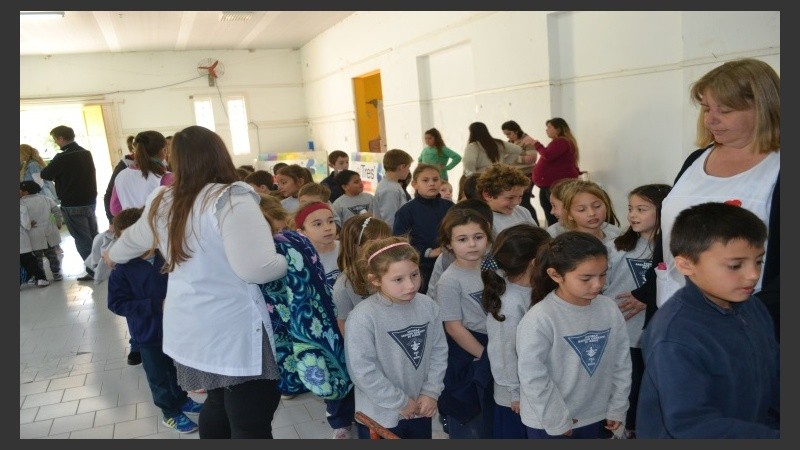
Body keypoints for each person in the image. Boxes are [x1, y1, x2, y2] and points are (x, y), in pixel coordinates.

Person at [105, 125, 288, 439]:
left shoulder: (164, 199)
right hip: (234, 330)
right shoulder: (230, 198)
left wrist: (111, 254)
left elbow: (129, 243)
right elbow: (256, 269)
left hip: (191, 328)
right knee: (250, 419)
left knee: (217, 402)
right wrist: (287, 258)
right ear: (221, 153)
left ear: (174, 159)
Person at [635, 59, 780, 342]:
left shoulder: (776, 168)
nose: (710, 120)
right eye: (705, 109)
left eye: (724, 111)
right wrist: (650, 290)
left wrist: (753, 316)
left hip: (748, 322)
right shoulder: (695, 161)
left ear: (763, 110)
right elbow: (671, 234)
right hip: (675, 313)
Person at [636, 202, 779, 438]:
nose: (753, 275)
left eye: (758, 261)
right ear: (686, 265)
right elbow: (691, 424)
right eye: (735, 265)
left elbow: (775, 371)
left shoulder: (752, 306)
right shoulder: (674, 337)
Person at [517, 231, 631, 439]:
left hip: (598, 416)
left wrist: (617, 407)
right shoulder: (540, 318)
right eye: (586, 278)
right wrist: (558, 420)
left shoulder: (609, 309)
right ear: (555, 275)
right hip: (551, 422)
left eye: (603, 274)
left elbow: (621, 362)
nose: (598, 284)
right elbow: (533, 377)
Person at [258, 198, 354, 439]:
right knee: (333, 372)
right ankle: (340, 421)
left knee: (355, 370)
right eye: (318, 223)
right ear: (300, 231)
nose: (328, 227)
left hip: (350, 320)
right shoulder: (295, 258)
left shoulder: (345, 249)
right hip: (324, 326)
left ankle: (361, 413)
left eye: (331, 221)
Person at [106, 207, 204, 434]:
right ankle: (169, 413)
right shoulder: (122, 270)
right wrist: (153, 305)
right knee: (158, 376)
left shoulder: (167, 255)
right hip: (147, 333)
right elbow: (117, 304)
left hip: (175, 329)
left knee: (175, 367)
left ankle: (181, 399)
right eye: (126, 239)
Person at [345, 236, 448, 439]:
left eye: (414, 275)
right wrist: (400, 402)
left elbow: (439, 351)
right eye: (398, 280)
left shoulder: (428, 306)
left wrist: (431, 392)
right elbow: (362, 370)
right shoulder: (363, 316)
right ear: (375, 280)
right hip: (380, 416)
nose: (410, 285)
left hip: (420, 408)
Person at [602, 183, 671, 439]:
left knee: (647, 387)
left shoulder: (672, 250)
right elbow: (601, 286)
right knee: (623, 386)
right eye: (630, 208)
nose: (632, 215)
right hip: (622, 332)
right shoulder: (617, 247)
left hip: (652, 334)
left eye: (642, 209)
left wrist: (648, 297)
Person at [482, 224, 551, 438]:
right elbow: (504, 352)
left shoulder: (534, 289)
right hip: (515, 398)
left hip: (534, 390)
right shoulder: (510, 302)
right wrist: (515, 391)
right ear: (534, 263)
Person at [435, 208, 495, 439]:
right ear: (449, 244)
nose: (472, 244)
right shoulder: (449, 281)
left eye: (478, 237)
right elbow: (453, 326)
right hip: (470, 348)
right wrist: (484, 353)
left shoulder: (491, 265)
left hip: (495, 340)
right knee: (471, 413)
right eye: (462, 239)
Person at [41, 125, 99, 277]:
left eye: (55, 139)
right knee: (93, 236)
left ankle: (93, 270)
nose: (56, 143)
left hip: (72, 203)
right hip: (90, 200)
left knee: (82, 238)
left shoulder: (62, 157)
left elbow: (45, 174)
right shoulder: (86, 153)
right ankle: (101, 267)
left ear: (61, 138)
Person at [393, 163, 454, 294]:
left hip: (451, 264)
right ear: (415, 184)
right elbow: (400, 243)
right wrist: (428, 252)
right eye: (425, 180)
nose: (431, 183)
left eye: (435, 179)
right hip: (422, 269)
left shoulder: (450, 207)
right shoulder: (406, 212)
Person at [332, 215, 392, 334]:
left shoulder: (390, 270)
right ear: (356, 247)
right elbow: (343, 322)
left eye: (387, 243)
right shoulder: (343, 285)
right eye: (376, 245)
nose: (384, 249)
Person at [110, 131, 174, 217]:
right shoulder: (167, 177)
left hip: (130, 228)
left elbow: (114, 209)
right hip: (156, 228)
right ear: (164, 150)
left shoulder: (121, 175)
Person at [531, 118, 581, 226]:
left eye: (549, 127)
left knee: (554, 216)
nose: (546, 130)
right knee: (552, 214)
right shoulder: (562, 141)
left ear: (558, 128)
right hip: (550, 185)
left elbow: (548, 155)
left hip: (554, 186)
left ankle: (557, 237)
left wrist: (536, 144)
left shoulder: (561, 141)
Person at [476, 163, 539, 235]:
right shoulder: (482, 222)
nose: (517, 202)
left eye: (520, 196)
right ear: (488, 195)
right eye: (510, 198)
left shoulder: (523, 212)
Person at [20, 180, 63, 282]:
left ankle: (41, 277)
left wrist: (28, 224)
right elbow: (56, 210)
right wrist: (58, 222)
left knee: (37, 258)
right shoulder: (45, 198)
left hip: (33, 234)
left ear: (25, 192)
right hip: (48, 231)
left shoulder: (21, 203)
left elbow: (22, 219)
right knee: (52, 255)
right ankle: (56, 273)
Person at [558, 180, 621, 244]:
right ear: (569, 215)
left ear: (606, 205)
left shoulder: (616, 234)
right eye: (581, 209)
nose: (592, 213)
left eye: (597, 206)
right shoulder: (567, 246)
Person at [501, 120, 538, 218]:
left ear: (516, 131)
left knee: (524, 202)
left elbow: (532, 158)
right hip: (514, 176)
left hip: (527, 175)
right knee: (518, 202)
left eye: (509, 133)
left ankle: (533, 224)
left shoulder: (527, 140)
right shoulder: (510, 142)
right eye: (505, 134)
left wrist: (513, 157)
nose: (507, 136)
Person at [370, 149, 413, 228]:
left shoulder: (393, 185)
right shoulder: (389, 190)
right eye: (408, 167)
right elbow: (390, 221)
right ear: (402, 167)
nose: (408, 171)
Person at [103, 135, 136, 223]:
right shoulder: (124, 166)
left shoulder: (160, 166)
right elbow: (109, 194)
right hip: (128, 220)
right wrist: (112, 221)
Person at [20, 203, 50, 288]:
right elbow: (26, 225)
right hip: (21, 241)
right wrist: (30, 224)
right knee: (30, 260)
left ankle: (26, 279)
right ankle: (41, 279)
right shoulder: (21, 207)